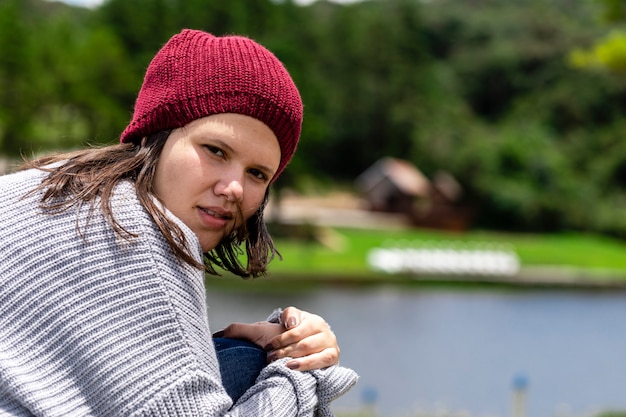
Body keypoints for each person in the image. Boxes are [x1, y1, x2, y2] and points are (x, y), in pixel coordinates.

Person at [0, 29, 357, 416]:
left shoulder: (61, 184)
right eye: (216, 150)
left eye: (257, 174)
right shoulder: (129, 235)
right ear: (158, 134)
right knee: (250, 365)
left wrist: (284, 341)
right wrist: (301, 373)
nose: (234, 188)